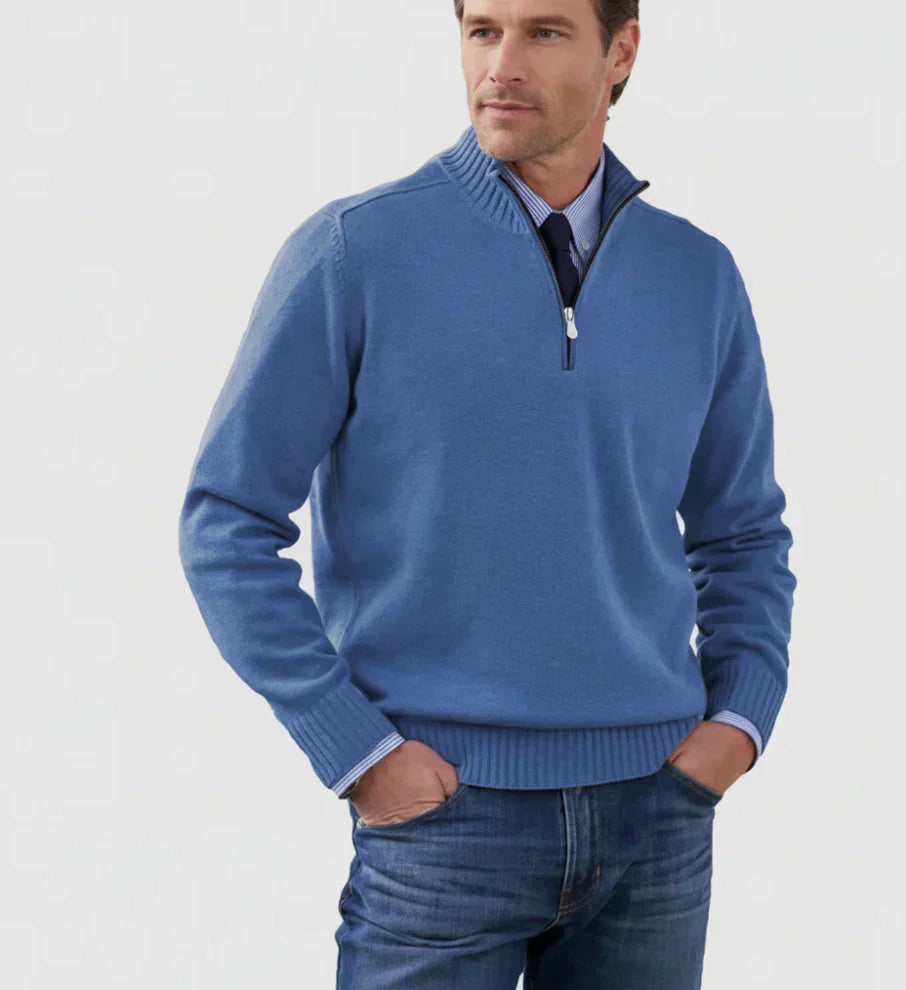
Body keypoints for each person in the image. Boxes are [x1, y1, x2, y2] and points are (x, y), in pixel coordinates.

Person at [178, 1, 797, 986]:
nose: (501, 64)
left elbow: (743, 532)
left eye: (544, 32)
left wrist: (741, 722)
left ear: (621, 50)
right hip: (443, 818)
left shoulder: (697, 275)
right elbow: (227, 521)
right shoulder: (357, 250)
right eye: (482, 30)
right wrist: (357, 751)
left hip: (658, 816)